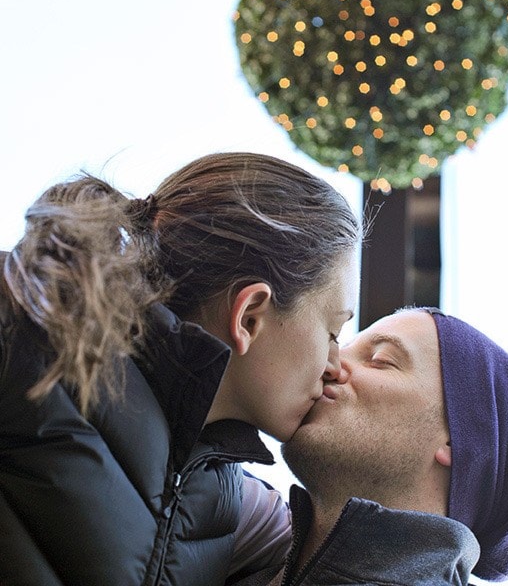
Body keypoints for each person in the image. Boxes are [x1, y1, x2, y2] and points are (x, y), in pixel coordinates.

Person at [0, 151, 361, 586]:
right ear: (249, 317)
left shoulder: (222, 496)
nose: (336, 366)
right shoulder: (19, 341)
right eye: (333, 332)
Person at [236, 307, 508, 585]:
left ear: (458, 444)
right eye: (343, 344)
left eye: (381, 359)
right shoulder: (226, 536)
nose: (330, 364)